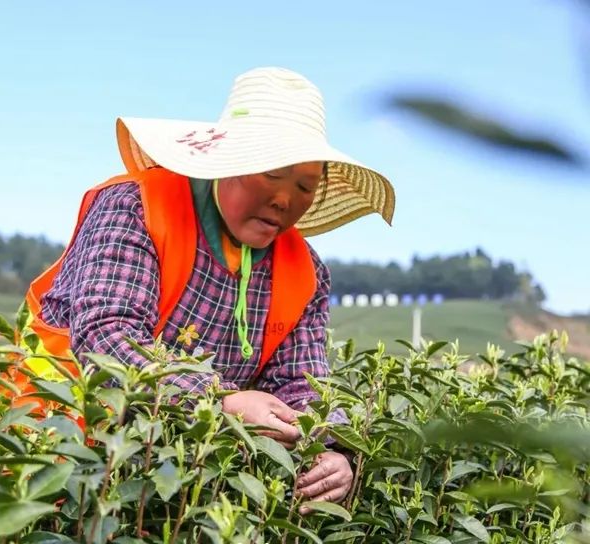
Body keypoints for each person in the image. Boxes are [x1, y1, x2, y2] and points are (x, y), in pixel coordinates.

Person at [24, 67, 396, 506]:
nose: (284, 200)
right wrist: (222, 400)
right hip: (58, 449)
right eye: (273, 175)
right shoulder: (135, 206)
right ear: (229, 160)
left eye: (305, 186)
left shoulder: (306, 272)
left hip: (181, 477)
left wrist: (332, 450)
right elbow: (107, 339)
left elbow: (301, 382)